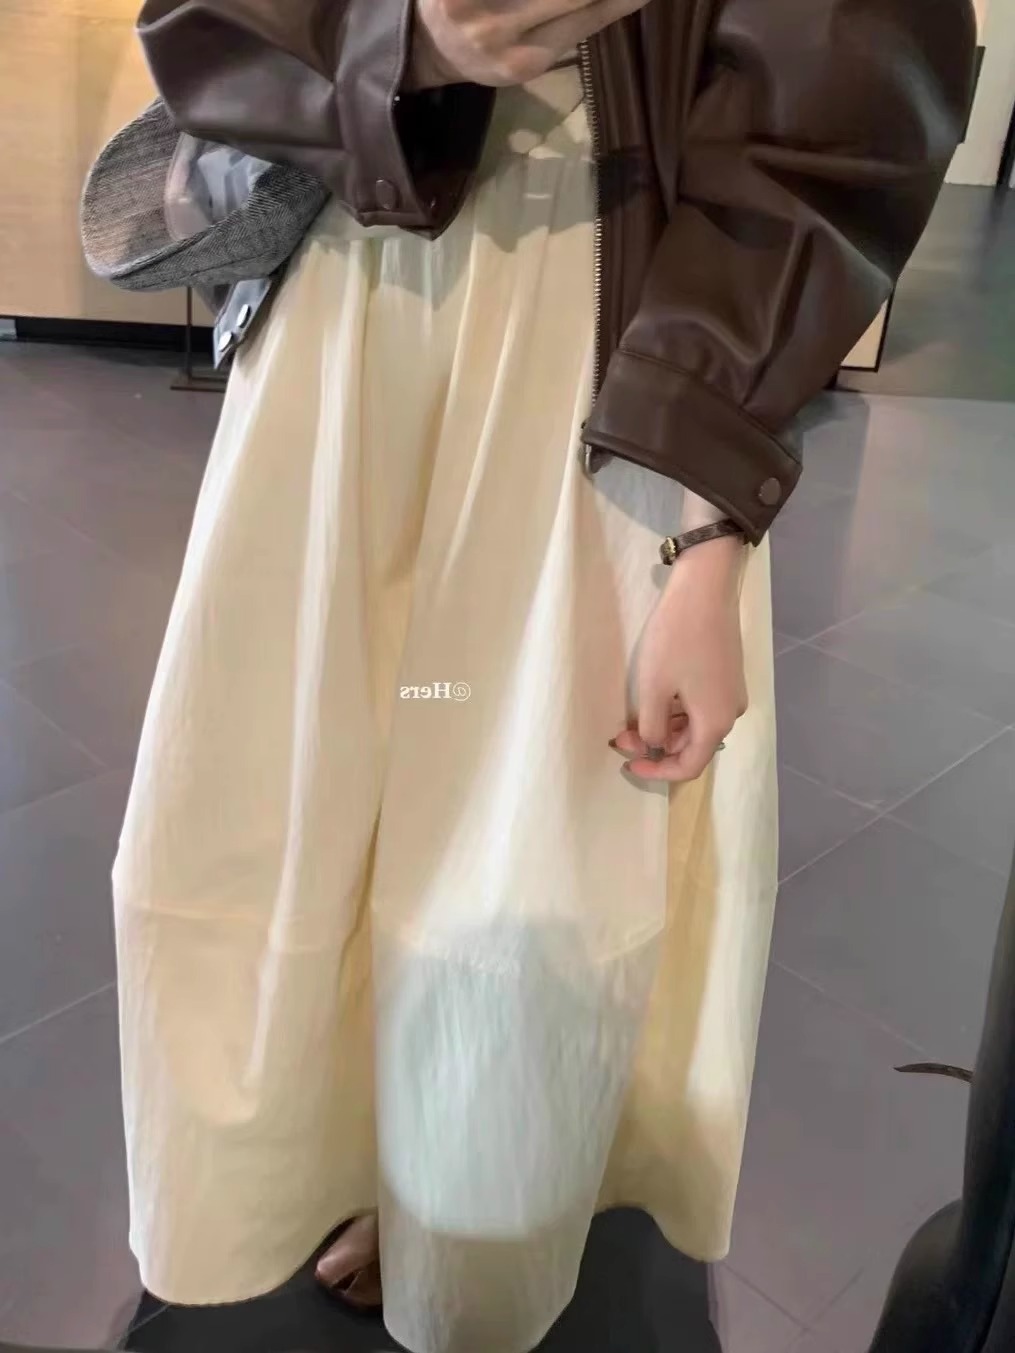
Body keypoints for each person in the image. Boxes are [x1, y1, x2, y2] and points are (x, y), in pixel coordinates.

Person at [110, 3, 975, 1351]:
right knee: (285, 804)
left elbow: (837, 106)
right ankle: (338, 1157)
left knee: (526, 868)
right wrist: (398, 41)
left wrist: (710, 523)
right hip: (347, 302)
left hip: (606, 330)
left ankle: (463, 1224)